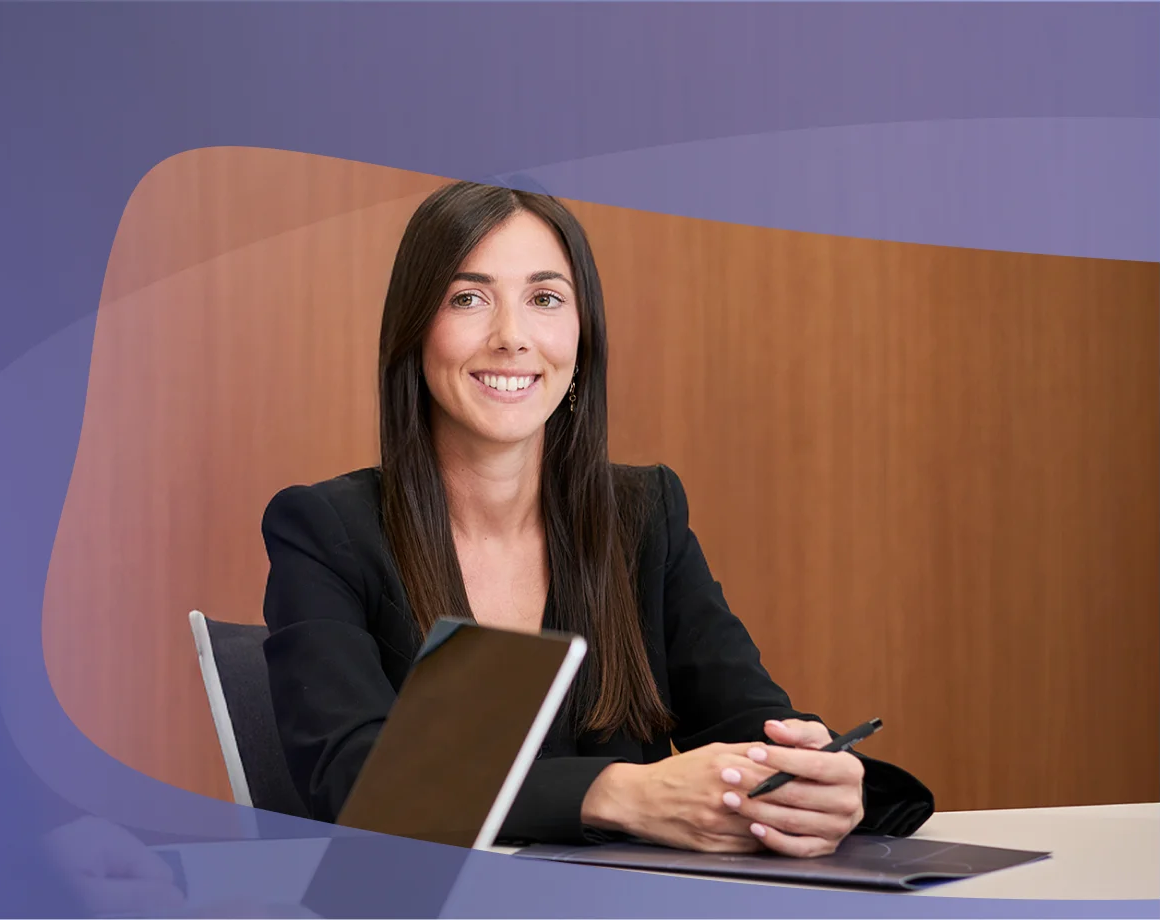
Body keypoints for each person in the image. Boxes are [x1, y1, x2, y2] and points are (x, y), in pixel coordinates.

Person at [260, 182, 934, 856]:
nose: (511, 337)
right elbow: (359, 780)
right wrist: (620, 792)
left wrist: (822, 782)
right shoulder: (327, 531)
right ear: (414, 332)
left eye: (545, 299)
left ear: (582, 339)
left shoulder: (642, 517)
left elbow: (748, 720)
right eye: (468, 299)